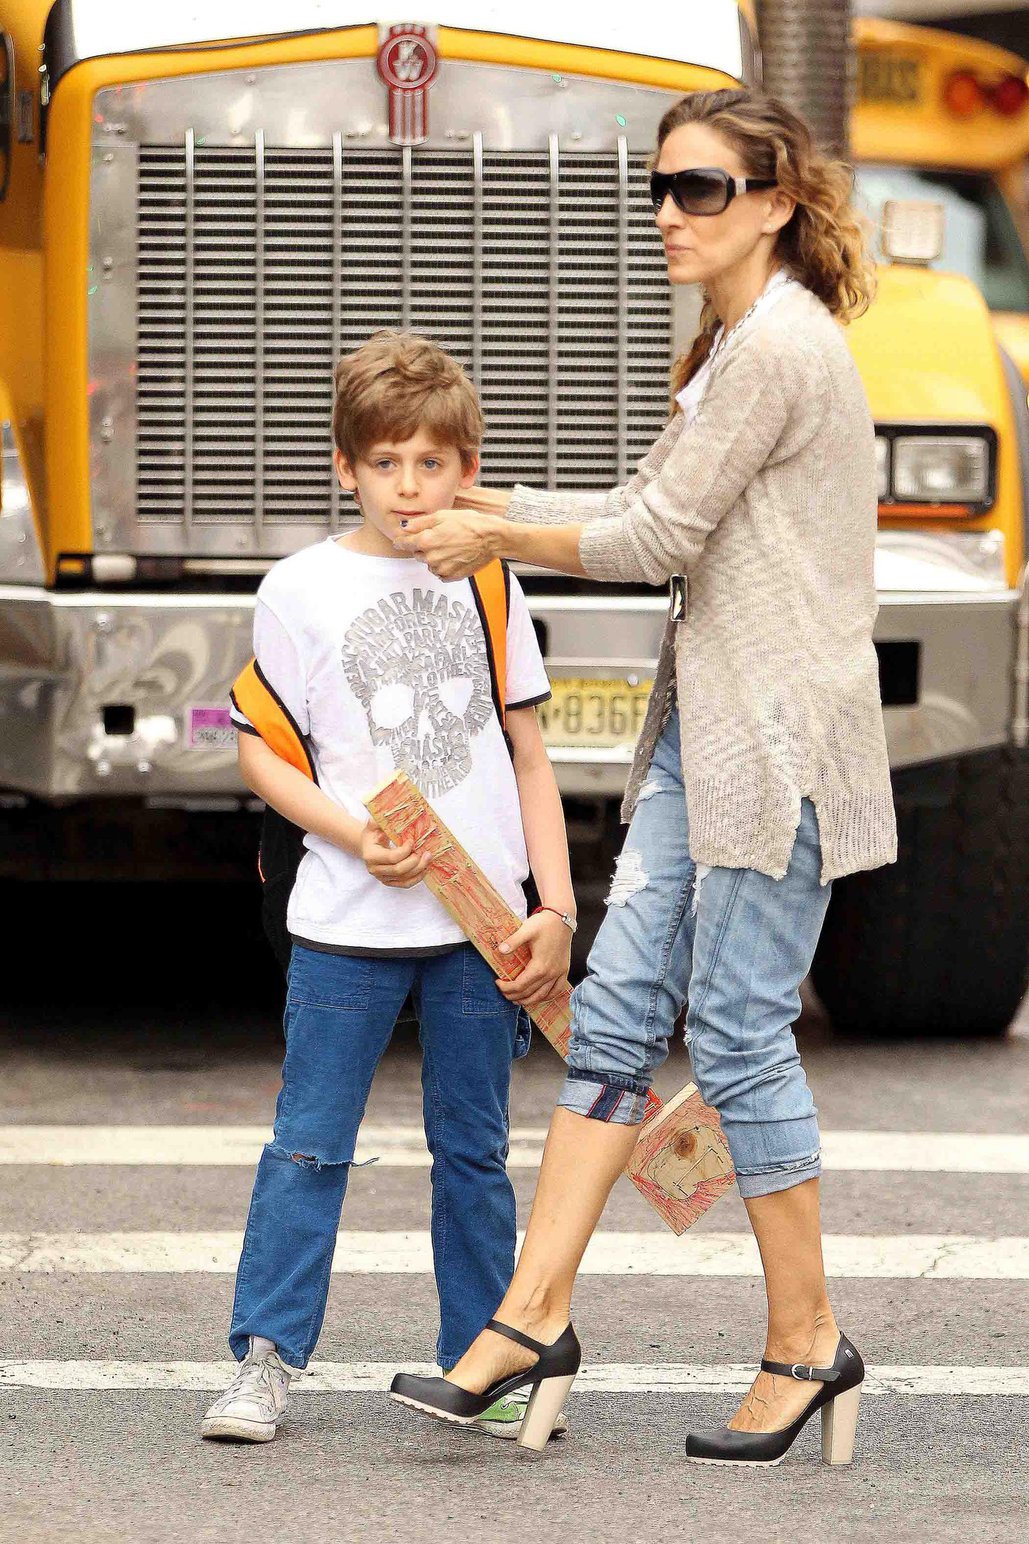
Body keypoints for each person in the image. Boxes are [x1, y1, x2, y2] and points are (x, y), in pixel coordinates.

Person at [389, 89, 897, 1466]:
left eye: (703, 191)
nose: (670, 214)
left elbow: (656, 536)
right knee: (614, 1016)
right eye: (660, 190)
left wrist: (491, 530)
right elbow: (638, 512)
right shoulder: (727, 344)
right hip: (706, 732)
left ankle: (807, 1344)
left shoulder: (781, 347)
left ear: (778, 202)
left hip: (775, 741)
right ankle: (530, 1315)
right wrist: (500, 515)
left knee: (734, 1030)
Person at [201, 331, 576, 1445]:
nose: (409, 487)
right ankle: (264, 1360)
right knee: (308, 1142)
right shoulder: (300, 586)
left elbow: (530, 753)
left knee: (475, 1149)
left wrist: (553, 908)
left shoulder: (491, 575)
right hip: (344, 920)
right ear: (344, 465)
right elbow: (259, 748)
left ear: (468, 468)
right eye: (386, 463)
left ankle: (487, 1358)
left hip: (480, 928)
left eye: (431, 462)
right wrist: (353, 831)